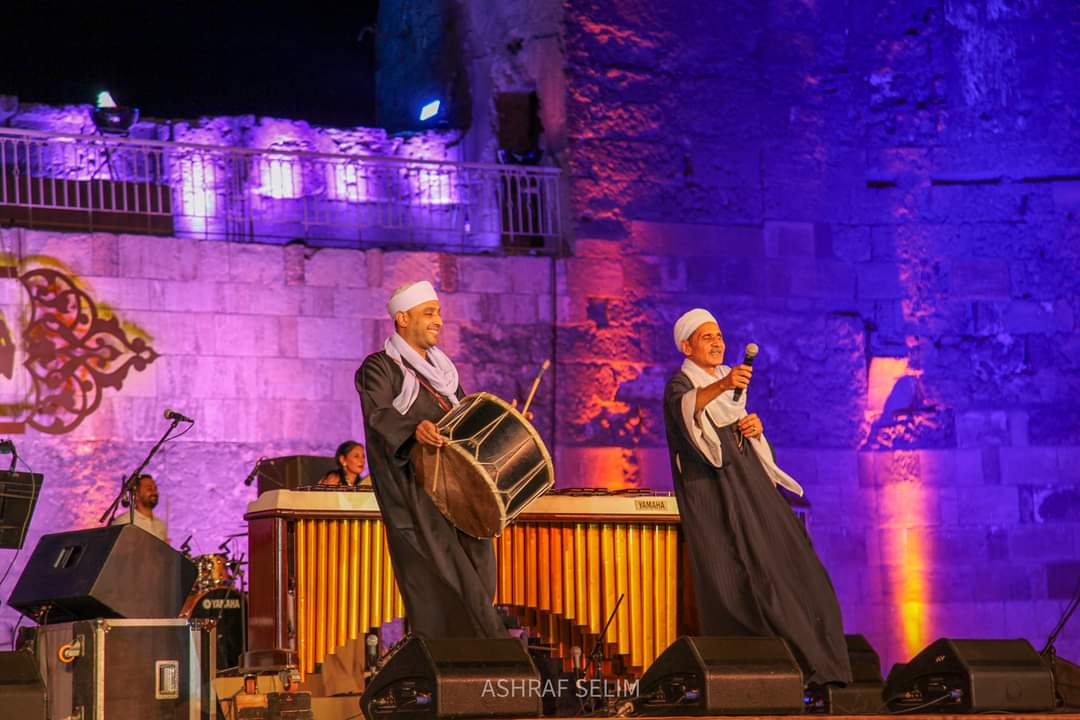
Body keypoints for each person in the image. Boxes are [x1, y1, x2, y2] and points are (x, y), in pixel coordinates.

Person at [662, 308, 852, 686]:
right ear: (686, 346)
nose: (717, 342)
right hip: (716, 496)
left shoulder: (724, 386)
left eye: (719, 336)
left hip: (751, 489)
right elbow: (687, 414)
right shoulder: (681, 386)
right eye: (706, 337)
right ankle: (763, 675)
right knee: (740, 582)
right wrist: (725, 383)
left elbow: (736, 427)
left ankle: (819, 667)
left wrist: (754, 427)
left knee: (799, 570)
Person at [355, 280, 505, 639]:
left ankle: (482, 652)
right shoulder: (379, 368)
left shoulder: (445, 375)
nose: (438, 319)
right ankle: (464, 659)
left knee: (479, 572)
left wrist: (498, 430)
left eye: (438, 312)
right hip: (415, 496)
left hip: (457, 494)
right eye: (429, 313)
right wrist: (414, 429)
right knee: (439, 586)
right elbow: (379, 417)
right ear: (403, 319)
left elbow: (463, 422)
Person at [111, 473, 170, 544]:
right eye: (149, 489)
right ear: (136, 495)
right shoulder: (124, 521)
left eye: (155, 488)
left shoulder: (160, 525)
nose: (154, 492)